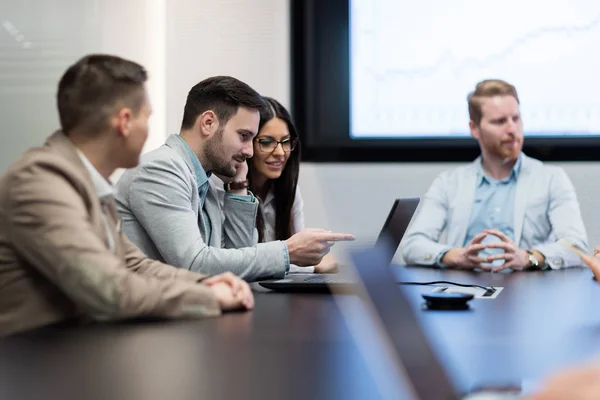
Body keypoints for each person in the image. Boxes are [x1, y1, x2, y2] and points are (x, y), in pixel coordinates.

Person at [0, 54, 253, 337]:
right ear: (124, 121)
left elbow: (133, 263)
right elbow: (108, 289)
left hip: (71, 350)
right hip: (28, 365)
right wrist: (210, 297)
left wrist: (206, 283)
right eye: (147, 118)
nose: (149, 129)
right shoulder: (38, 181)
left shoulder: (90, 182)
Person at [114, 77, 354, 281]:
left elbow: (236, 261)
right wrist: (287, 251)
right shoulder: (161, 168)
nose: (249, 152)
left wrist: (238, 188)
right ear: (208, 123)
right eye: (244, 136)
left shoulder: (203, 177)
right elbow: (195, 265)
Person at [402, 79, 588, 271]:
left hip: (527, 290)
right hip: (464, 290)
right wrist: (454, 256)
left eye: (516, 119)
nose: (512, 129)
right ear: (474, 128)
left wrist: (529, 257)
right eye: (499, 121)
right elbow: (412, 245)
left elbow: (576, 245)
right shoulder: (449, 183)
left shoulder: (551, 179)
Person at [246, 96, 338, 273]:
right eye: (266, 142)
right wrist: (314, 266)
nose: (280, 152)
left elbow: (300, 255)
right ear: (247, 143)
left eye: (286, 142)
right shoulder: (231, 191)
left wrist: (313, 258)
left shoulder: (288, 188)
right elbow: (244, 262)